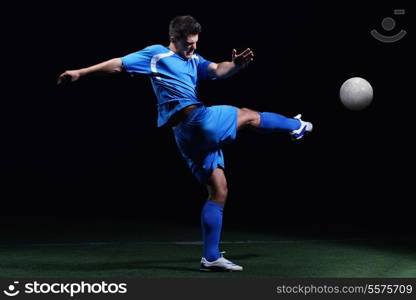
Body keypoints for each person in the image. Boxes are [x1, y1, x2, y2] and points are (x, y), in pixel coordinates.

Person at [57, 15, 312, 272]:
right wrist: (81, 72)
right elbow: (119, 64)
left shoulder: (193, 60)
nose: (193, 47)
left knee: (219, 190)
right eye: (188, 43)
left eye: (196, 43)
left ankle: (211, 257)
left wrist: (235, 66)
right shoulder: (157, 55)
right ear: (174, 39)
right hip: (196, 122)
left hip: (187, 136)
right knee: (246, 114)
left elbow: (217, 71)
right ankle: (296, 126)